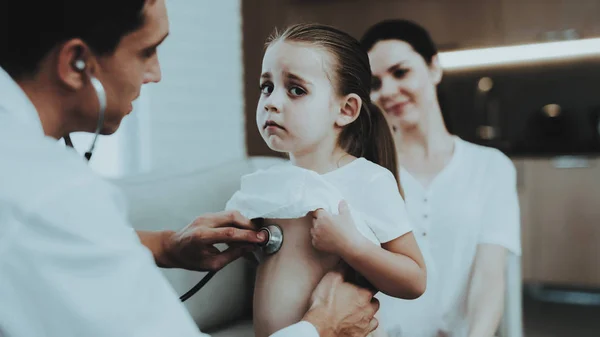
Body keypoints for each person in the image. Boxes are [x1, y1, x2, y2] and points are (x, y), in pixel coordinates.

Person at [0, 1, 380, 336]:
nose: (156, 74)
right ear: (75, 63)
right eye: (146, 51)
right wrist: (323, 328)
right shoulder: (50, 193)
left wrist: (164, 245)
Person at [224, 23, 427, 337]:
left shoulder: (368, 181)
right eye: (267, 86)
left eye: (296, 90)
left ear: (345, 110)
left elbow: (414, 280)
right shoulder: (270, 184)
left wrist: (351, 246)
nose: (271, 102)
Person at [359, 20, 521, 337]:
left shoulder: (492, 167)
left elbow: (489, 277)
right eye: (375, 83)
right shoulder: (366, 171)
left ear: (434, 68)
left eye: (400, 72)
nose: (388, 91)